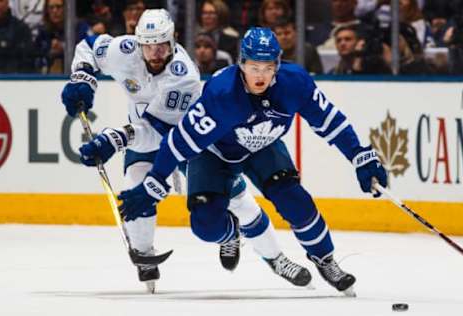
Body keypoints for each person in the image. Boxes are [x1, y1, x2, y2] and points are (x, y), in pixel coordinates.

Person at [109, 27, 388, 295]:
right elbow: (179, 142)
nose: (261, 75)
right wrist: (153, 182)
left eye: (268, 67)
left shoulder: (295, 82)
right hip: (214, 154)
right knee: (205, 224)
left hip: (263, 146)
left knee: (295, 200)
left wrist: (361, 157)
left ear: (278, 64)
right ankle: (231, 234)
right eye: (254, 66)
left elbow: (332, 123)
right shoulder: (222, 95)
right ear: (241, 63)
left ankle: (326, 260)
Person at [61, 10, 311, 292]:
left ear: (174, 40)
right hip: (141, 133)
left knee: (238, 199)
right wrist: (82, 78)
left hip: (192, 140)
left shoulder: (183, 77)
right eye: (148, 45)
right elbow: (88, 47)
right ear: (137, 41)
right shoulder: (124, 49)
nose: (155, 53)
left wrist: (116, 138)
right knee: (135, 187)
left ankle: (276, 258)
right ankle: (145, 256)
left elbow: (161, 133)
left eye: (162, 45)